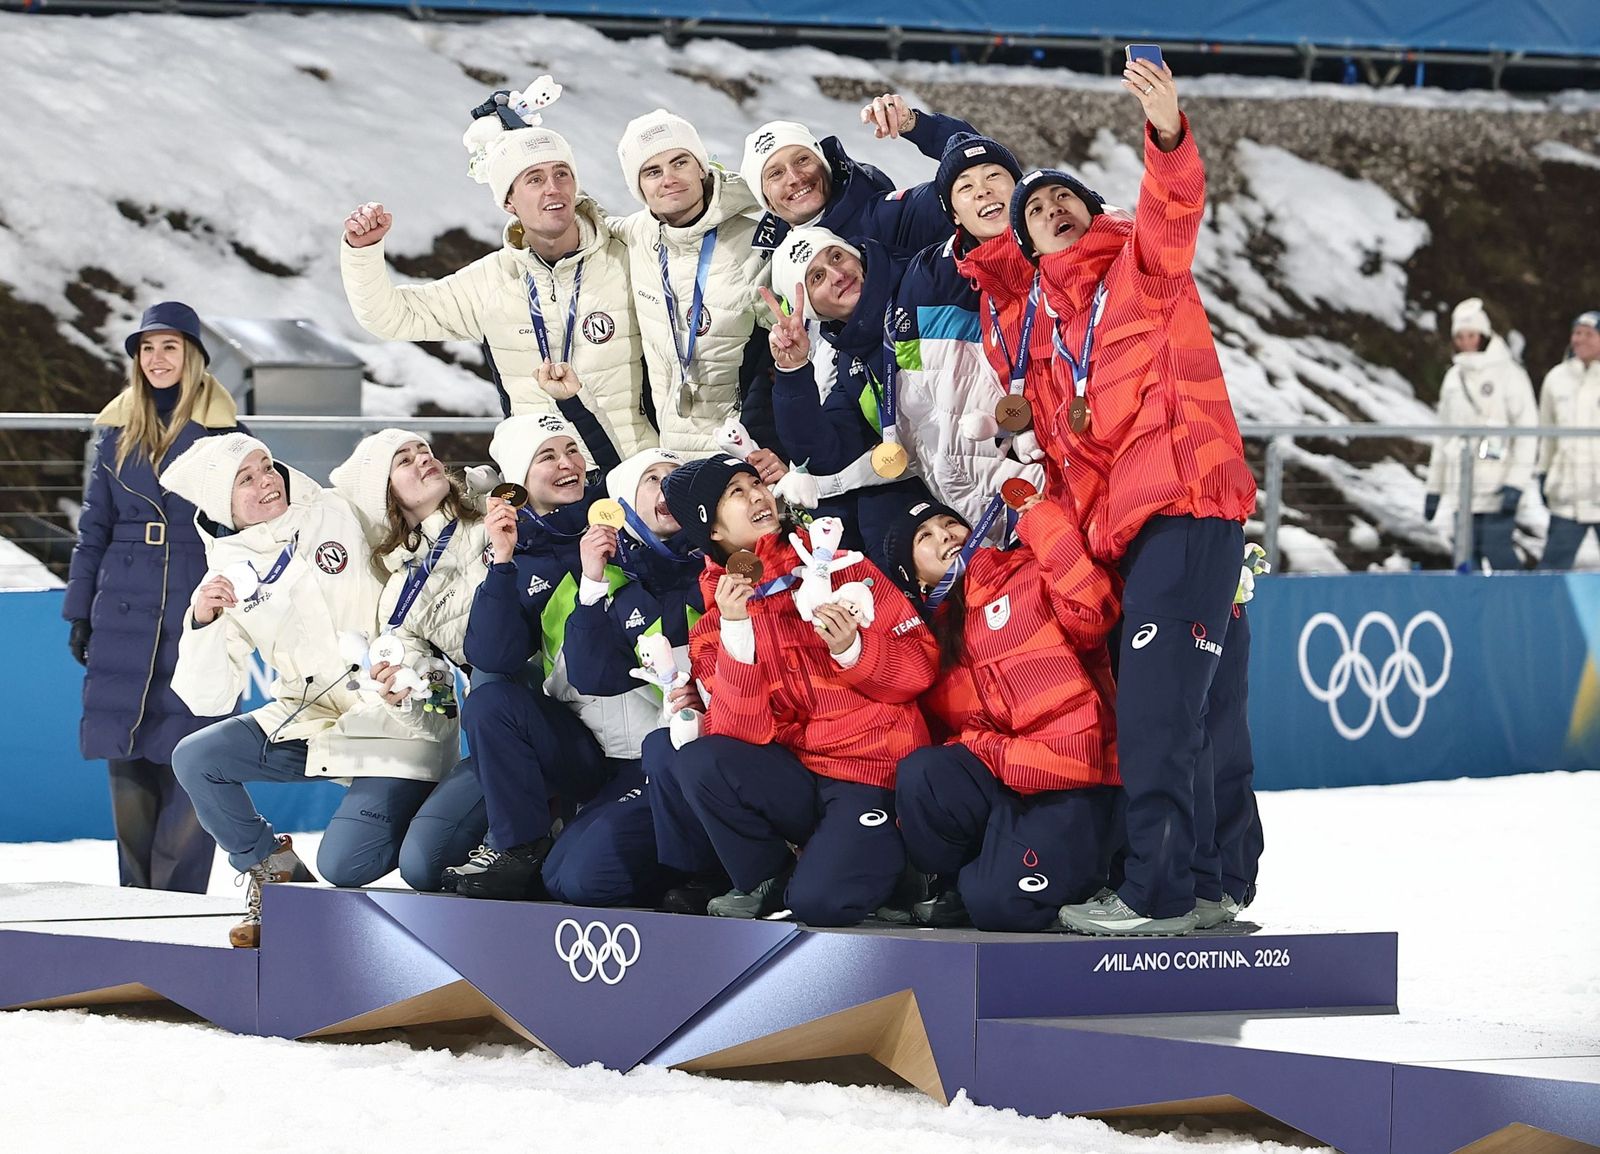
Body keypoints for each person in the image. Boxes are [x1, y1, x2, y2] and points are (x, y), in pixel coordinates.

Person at [1022, 61, 1257, 937]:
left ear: (1092, 209)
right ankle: (1207, 883)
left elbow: (1175, 201)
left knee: (1160, 714)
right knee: (1197, 710)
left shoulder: (1143, 271)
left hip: (1192, 505)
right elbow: (1077, 467)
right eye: (1035, 212)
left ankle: (1153, 893)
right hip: (1144, 537)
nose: (1050, 211)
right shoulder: (1046, 345)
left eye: (1062, 200)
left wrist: (1165, 132)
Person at [162, 435, 458, 947]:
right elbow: (207, 699)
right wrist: (203, 620)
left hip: (395, 713)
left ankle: (437, 814)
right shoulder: (224, 575)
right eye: (246, 479)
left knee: (345, 863)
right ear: (220, 503)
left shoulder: (337, 509)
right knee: (196, 758)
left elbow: (410, 497)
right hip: (312, 717)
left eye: (266, 465)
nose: (267, 481)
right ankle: (272, 869)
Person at [646, 456, 939, 925]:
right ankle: (770, 879)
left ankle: (902, 866)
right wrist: (738, 633)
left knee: (820, 903)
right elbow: (737, 735)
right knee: (698, 758)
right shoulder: (713, 626)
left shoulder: (841, 566)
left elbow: (920, 671)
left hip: (870, 771)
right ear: (713, 531)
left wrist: (854, 649)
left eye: (756, 483)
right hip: (799, 778)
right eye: (735, 493)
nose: (757, 495)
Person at [341, 93, 649, 472]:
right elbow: (390, 317)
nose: (553, 188)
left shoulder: (629, 257)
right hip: (544, 485)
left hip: (636, 475)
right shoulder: (490, 281)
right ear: (509, 201)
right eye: (535, 179)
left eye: (561, 174)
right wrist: (363, 251)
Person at [881, 492, 1121, 931]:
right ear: (915, 578)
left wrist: (1042, 520)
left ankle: (1097, 873)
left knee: (1000, 906)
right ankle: (962, 878)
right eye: (925, 536)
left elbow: (1094, 611)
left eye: (948, 524)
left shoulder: (1026, 571)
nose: (945, 536)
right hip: (1011, 781)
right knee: (924, 772)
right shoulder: (930, 644)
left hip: (1075, 780)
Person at [61, 302, 238, 893]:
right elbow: (93, 530)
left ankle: (179, 904)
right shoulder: (117, 433)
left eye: (170, 347)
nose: (157, 359)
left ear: (193, 355)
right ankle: (134, 905)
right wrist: (80, 613)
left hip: (197, 601)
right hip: (123, 605)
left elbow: (252, 529)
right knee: (129, 755)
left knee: (193, 752)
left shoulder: (226, 436)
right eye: (146, 348)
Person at [455, 414, 656, 900]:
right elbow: (491, 656)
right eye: (547, 456)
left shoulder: (624, 520)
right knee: (488, 701)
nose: (568, 465)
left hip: (653, 743)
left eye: (571, 451)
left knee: (577, 880)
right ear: (518, 483)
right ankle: (520, 845)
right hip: (583, 747)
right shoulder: (521, 554)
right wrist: (501, 563)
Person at [540, 447, 707, 907]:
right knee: (556, 875)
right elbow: (590, 676)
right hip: (625, 759)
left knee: (586, 880)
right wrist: (592, 585)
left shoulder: (717, 568)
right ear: (625, 505)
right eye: (652, 479)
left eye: (676, 478)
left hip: (690, 757)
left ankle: (704, 877)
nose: (666, 486)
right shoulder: (597, 576)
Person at [328, 430, 491, 892]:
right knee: (397, 865)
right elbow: (442, 708)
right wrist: (408, 694)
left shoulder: (493, 514)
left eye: (424, 450)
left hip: (560, 693)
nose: (424, 459)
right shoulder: (400, 593)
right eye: (404, 460)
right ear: (387, 498)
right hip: (494, 723)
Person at [892, 132, 1045, 531]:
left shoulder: (1068, 240)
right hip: (985, 486)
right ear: (954, 215)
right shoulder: (928, 276)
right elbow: (919, 386)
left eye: (995, 175)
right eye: (966, 187)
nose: (983, 191)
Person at [611, 109, 777, 455]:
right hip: (668, 453)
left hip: (742, 449)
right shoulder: (638, 234)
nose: (668, 178)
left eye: (680, 162)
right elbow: (580, 224)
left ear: (702, 167)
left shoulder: (754, 240)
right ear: (639, 188)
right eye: (652, 171)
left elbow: (788, 351)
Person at [762, 226, 933, 547]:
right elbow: (823, 454)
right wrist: (792, 368)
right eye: (816, 277)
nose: (838, 274)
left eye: (837, 256)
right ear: (814, 311)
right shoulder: (853, 365)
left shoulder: (924, 280)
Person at [740, 94, 973, 258]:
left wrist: (918, 125)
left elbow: (982, 173)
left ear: (825, 165)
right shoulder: (770, 261)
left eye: (802, 160)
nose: (794, 177)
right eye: (776, 173)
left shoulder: (890, 216)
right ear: (766, 200)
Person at [1423, 297, 1537, 570]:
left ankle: (1517, 605)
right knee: (1465, 557)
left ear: (1483, 336)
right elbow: (1444, 435)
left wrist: (1516, 482)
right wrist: (1434, 488)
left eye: (1471, 335)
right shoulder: (1453, 378)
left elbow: (1527, 431)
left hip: (1497, 481)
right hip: (1460, 484)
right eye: (1460, 336)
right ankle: (1471, 611)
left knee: (1497, 551)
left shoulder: (1509, 374)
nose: (1465, 342)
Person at [1537, 310, 1600, 569]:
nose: (1580, 339)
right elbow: (1546, 433)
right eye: (1577, 333)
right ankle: (1542, 611)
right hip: (1568, 496)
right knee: (1550, 572)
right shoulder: (1556, 378)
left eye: (1589, 334)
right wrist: (1543, 472)